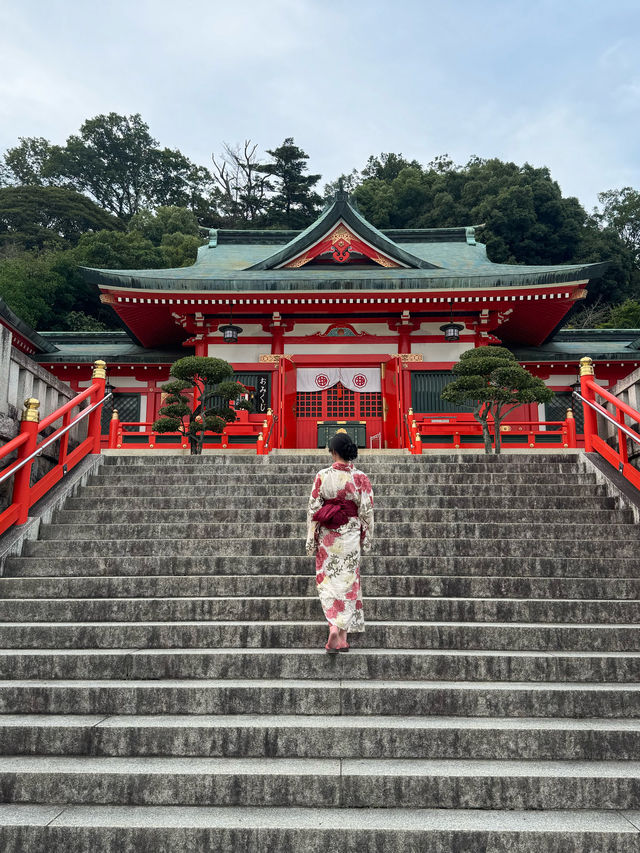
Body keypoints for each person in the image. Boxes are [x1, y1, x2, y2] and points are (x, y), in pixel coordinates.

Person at [306, 431, 374, 653]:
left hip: (328, 535)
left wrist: (311, 538)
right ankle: (342, 636)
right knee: (349, 583)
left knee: (328, 581)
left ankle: (334, 627)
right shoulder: (361, 478)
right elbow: (367, 511)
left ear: (333, 452)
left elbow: (313, 509)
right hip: (351, 533)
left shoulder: (322, 475)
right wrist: (367, 538)